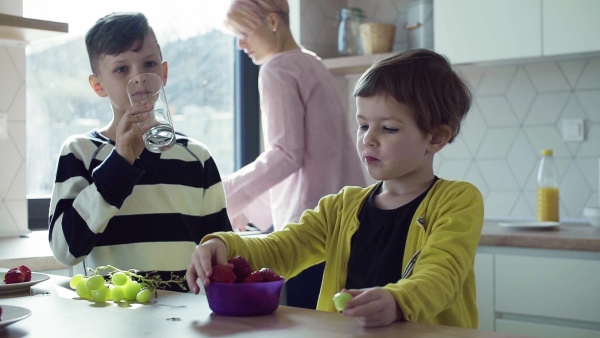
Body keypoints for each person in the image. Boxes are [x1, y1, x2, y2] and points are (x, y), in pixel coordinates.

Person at [187, 49, 484, 328]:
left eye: (389, 128)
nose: (369, 139)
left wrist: (398, 300)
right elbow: (282, 249)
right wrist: (226, 246)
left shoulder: (457, 201)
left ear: (436, 138)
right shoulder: (342, 207)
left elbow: (442, 275)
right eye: (363, 125)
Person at [48, 12, 232, 291]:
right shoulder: (80, 152)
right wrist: (120, 163)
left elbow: (220, 252)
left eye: (149, 64)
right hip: (106, 320)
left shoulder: (197, 158)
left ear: (164, 73)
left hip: (182, 324)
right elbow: (65, 250)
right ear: (98, 85)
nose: (140, 78)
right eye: (122, 69)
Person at [221, 0, 366, 309]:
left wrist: (225, 194)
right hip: (350, 219)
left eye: (244, 32)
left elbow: (286, 154)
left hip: (309, 228)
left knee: (310, 323)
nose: (240, 44)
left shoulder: (277, 68)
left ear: (273, 21)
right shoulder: (312, 63)